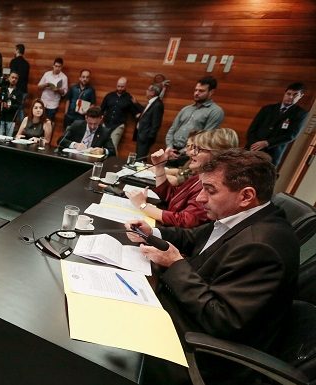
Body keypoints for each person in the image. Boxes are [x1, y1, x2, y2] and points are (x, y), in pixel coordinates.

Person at [126, 149, 298, 384]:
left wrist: (175, 264)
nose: (200, 199)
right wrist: (152, 232)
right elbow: (194, 237)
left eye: (210, 190)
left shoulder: (262, 246)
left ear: (246, 196)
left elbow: (221, 319)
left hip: (202, 352)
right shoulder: (242, 216)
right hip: (184, 314)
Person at [126, 128, 239, 228]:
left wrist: (142, 205)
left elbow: (185, 220)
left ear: (216, 155)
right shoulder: (199, 176)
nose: (189, 152)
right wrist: (160, 167)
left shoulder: (212, 185)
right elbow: (171, 196)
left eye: (197, 149)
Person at [246, 82, 307, 166]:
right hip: (253, 148)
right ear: (284, 93)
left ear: (301, 96)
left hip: (273, 152)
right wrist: (253, 144)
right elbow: (252, 129)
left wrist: (267, 143)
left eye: (295, 95)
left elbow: (291, 135)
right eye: (288, 94)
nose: (290, 97)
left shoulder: (300, 114)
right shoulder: (267, 109)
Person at [165, 76, 224, 158]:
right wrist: (169, 147)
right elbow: (172, 129)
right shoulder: (186, 109)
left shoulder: (215, 111)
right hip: (172, 150)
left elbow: (206, 136)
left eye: (201, 91)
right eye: (196, 90)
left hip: (192, 154)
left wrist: (183, 151)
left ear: (211, 92)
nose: (196, 93)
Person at [100, 77, 138, 150]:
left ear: (126, 86)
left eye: (122, 87)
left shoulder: (129, 98)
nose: (120, 88)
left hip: (118, 125)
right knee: (100, 143)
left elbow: (134, 112)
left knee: (113, 146)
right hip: (106, 123)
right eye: (118, 86)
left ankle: (111, 161)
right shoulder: (109, 95)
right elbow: (101, 109)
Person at [133, 83, 164, 157]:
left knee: (140, 159)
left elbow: (156, 124)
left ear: (152, 92)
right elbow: (147, 115)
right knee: (138, 157)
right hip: (141, 135)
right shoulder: (152, 102)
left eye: (148, 90)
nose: (146, 91)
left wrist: (148, 138)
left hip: (145, 137)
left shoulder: (157, 105)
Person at [0, 72, 23, 136]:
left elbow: (19, 106)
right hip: (0, 118)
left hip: (11, 119)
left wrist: (9, 106)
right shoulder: (3, 89)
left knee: (7, 140)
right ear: (9, 78)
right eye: (12, 77)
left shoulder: (19, 93)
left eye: (16, 78)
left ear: (17, 80)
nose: (14, 79)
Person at [37, 58, 68, 124]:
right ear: (53, 66)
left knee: (49, 122)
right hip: (43, 101)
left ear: (61, 67)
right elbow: (39, 87)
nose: (57, 68)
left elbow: (64, 93)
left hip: (53, 104)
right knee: (39, 121)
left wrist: (58, 89)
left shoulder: (64, 77)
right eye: (56, 66)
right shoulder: (47, 74)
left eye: (59, 67)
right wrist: (46, 84)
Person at [9, 43, 30, 122]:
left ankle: (18, 126)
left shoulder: (13, 61)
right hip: (24, 89)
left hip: (15, 89)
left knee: (12, 107)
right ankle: (22, 126)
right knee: (20, 108)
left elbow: (12, 76)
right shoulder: (27, 64)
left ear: (17, 50)